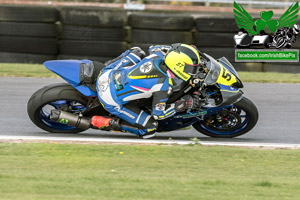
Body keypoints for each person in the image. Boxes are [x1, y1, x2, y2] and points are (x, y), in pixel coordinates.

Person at [91, 43, 202, 138]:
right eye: (190, 68)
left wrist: (188, 51)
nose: (193, 71)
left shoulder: (158, 54)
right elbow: (158, 114)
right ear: (178, 65)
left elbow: (154, 47)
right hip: (110, 98)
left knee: (137, 51)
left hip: (108, 74)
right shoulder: (163, 86)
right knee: (150, 129)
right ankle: (105, 122)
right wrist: (181, 105)